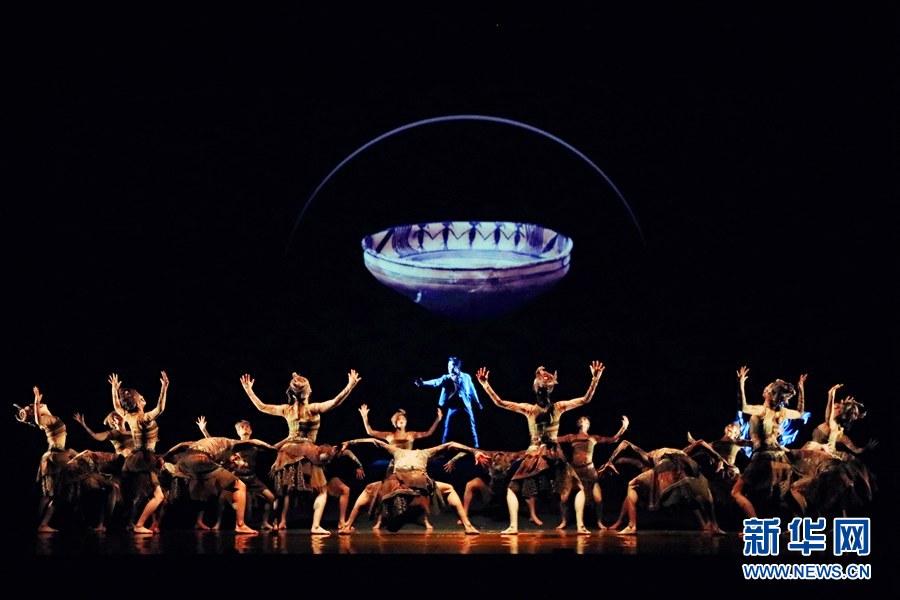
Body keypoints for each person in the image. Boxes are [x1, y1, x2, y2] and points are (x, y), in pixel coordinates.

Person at [476, 361, 605, 535]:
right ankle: (579, 526)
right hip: (548, 454)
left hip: (540, 453)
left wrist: (485, 385)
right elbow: (585, 399)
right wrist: (595, 379)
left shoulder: (535, 409)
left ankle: (515, 526)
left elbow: (500, 402)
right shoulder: (551, 408)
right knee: (578, 488)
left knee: (513, 489)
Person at [240, 369, 361, 533]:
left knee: (282, 493)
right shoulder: (313, 408)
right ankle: (315, 526)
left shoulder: (286, 409)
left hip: (287, 452)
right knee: (322, 491)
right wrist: (350, 386)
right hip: (307, 452)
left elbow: (262, 407)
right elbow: (335, 402)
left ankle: (276, 524)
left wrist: (249, 390)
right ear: (309, 392)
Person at [337, 438, 485, 534]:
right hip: (413, 482)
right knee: (449, 489)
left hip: (401, 482)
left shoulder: (404, 451)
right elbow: (450, 444)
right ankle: (467, 526)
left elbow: (374, 441)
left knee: (368, 489)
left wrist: (350, 442)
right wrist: (474, 452)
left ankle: (347, 525)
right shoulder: (420, 452)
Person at [729, 365, 806, 519]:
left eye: (768, 387)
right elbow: (799, 412)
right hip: (780, 459)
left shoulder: (762, 411)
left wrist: (741, 384)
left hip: (763, 459)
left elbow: (744, 407)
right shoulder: (782, 412)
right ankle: (798, 523)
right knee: (785, 495)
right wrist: (801, 389)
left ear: (769, 394)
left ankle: (755, 523)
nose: (765, 388)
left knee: (736, 492)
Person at [164, 436, 277, 534]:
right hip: (200, 459)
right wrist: (271, 447)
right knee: (240, 486)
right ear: (235, 456)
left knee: (205, 488)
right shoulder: (231, 443)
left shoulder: (203, 442)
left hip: (184, 463)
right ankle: (241, 525)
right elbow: (253, 441)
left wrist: (166, 455)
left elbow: (180, 445)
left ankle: (197, 520)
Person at [357, 404, 443, 529]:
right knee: (385, 490)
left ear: (406, 422)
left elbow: (428, 433)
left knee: (421, 491)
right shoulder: (389, 435)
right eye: (399, 419)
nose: (401, 421)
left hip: (411, 466)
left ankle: (425, 520)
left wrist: (438, 420)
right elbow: (370, 432)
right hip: (395, 466)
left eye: (403, 419)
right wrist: (364, 417)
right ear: (395, 423)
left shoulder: (411, 435)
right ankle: (380, 520)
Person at [110, 371, 169, 534]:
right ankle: (139, 525)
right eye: (140, 397)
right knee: (158, 496)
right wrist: (164, 388)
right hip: (144, 460)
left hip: (136, 459)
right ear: (136, 402)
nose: (143, 397)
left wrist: (114, 390)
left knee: (136, 495)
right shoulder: (143, 418)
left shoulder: (129, 417)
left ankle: (130, 523)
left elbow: (116, 407)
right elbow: (160, 408)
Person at [194, 416, 278, 530]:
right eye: (242, 427)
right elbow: (215, 443)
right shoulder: (234, 444)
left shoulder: (255, 444)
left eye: (247, 427)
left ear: (251, 431)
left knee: (271, 498)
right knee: (222, 499)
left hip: (251, 478)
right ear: (238, 432)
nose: (245, 428)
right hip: (236, 477)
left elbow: (271, 448)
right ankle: (218, 523)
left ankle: (264, 522)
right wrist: (204, 430)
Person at [15, 387, 76, 532]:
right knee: (59, 491)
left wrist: (36, 403)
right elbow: (37, 420)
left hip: (50, 456)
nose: (37, 405)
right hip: (56, 454)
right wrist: (36, 401)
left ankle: (40, 524)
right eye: (34, 406)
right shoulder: (46, 419)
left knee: (48, 495)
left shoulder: (50, 418)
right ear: (37, 411)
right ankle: (42, 524)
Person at [556, 415, 628, 530]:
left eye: (585, 420)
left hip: (588, 470)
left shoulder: (593, 438)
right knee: (564, 498)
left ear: (588, 425)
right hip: (574, 470)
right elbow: (554, 439)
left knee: (598, 498)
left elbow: (613, 439)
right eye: (581, 419)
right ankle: (564, 521)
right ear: (578, 423)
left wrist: (623, 427)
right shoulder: (571, 436)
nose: (583, 420)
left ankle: (599, 522)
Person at [415, 357, 483, 447]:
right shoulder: (446, 378)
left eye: (452, 366)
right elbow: (436, 382)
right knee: (447, 425)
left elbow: (472, 390)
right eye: (448, 366)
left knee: (471, 425)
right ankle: (443, 446)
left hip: (465, 404)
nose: (450, 368)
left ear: (457, 366)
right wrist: (423, 383)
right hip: (453, 405)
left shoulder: (466, 377)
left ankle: (476, 446)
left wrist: (478, 402)